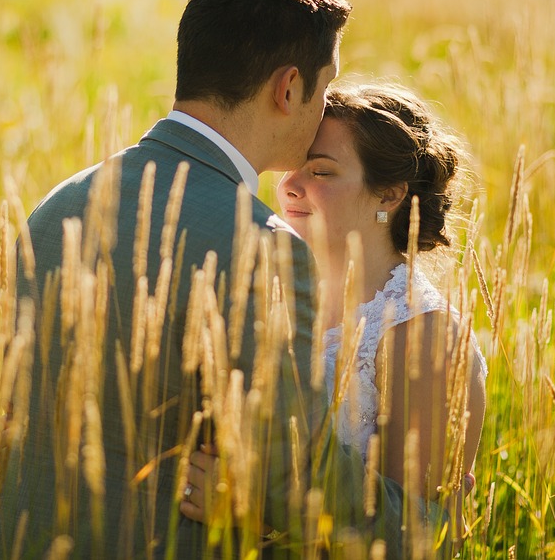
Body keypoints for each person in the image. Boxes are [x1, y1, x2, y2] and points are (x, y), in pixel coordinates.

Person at [0, 0, 423, 558]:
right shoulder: (262, 249)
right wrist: (423, 522)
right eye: (323, 89)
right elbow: (290, 471)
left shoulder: (58, 206)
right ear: (289, 88)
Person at [180, 82, 488, 545]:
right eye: (292, 168)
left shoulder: (425, 338)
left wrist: (253, 518)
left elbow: (416, 538)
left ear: (389, 196)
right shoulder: (265, 296)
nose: (288, 186)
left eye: (320, 172)